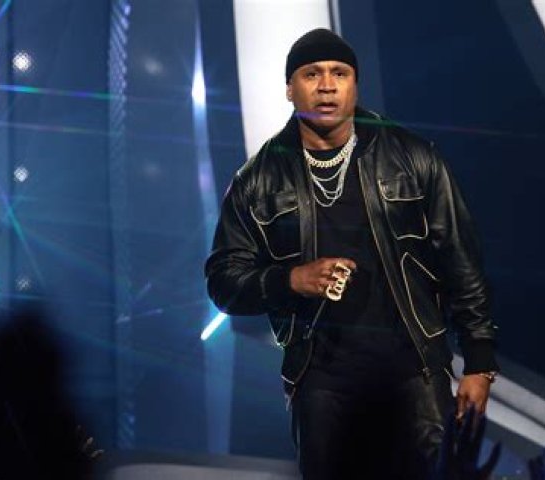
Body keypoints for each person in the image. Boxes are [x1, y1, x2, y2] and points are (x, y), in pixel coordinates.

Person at [205, 28, 499, 479]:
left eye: (339, 73)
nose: (327, 86)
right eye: (312, 74)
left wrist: (479, 363)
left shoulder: (412, 157)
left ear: (355, 85)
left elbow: (461, 260)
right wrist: (290, 280)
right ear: (290, 88)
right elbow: (224, 281)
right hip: (322, 382)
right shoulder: (258, 180)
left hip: (414, 371)